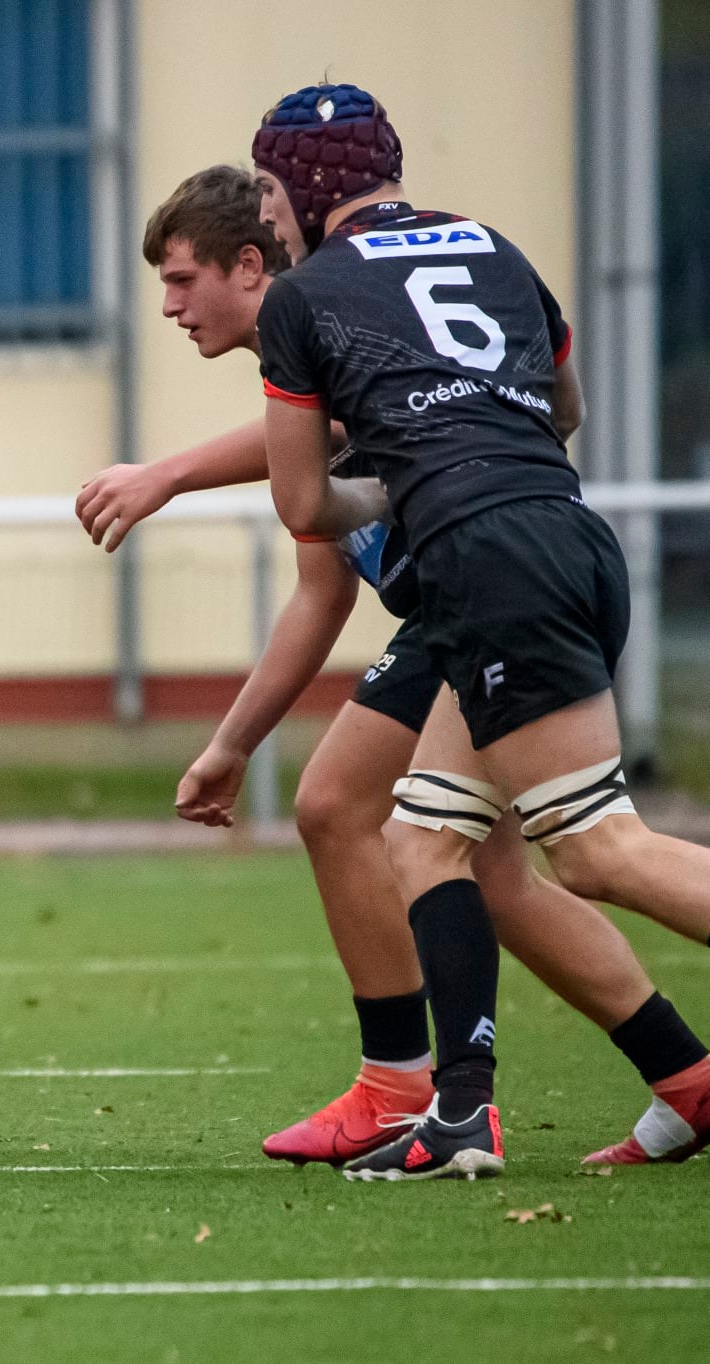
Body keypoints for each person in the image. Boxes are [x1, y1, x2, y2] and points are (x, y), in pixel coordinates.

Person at [86, 163, 710, 1170]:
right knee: (490, 871)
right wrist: (232, 740)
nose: (167, 306)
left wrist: (162, 474)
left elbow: (339, 450)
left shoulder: (339, 342)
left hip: (488, 590)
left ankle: (402, 1087)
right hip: (486, 596)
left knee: (359, 809)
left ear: (251, 266)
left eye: (179, 279)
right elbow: (319, 588)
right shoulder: (319, 356)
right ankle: (678, 1076)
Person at [254, 83, 710, 1178]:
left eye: (268, 191)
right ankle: (467, 1114)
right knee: (424, 837)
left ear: (304, 186)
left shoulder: (304, 295)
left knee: (597, 848)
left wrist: (400, 490)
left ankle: (469, 1108)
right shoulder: (496, 250)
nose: (265, 217)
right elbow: (564, 409)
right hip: (563, 530)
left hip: (485, 558)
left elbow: (306, 506)